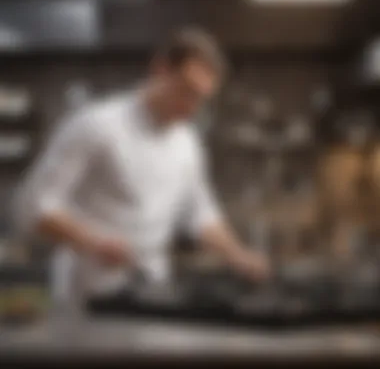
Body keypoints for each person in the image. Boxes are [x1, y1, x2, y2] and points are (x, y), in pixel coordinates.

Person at [13, 28, 270, 305]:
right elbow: (33, 205)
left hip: (153, 293)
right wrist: (93, 243)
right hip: (86, 295)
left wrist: (239, 256)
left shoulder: (188, 143)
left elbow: (201, 214)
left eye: (201, 98)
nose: (191, 106)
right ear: (160, 69)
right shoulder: (96, 125)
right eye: (186, 91)